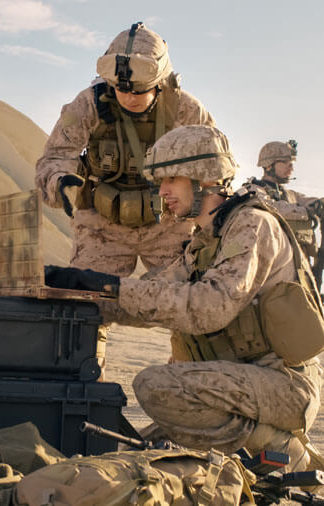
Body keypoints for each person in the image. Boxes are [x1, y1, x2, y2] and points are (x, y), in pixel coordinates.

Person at [45, 125, 324, 470]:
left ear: (203, 179)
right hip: (243, 379)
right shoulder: (206, 240)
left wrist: (111, 286)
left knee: (155, 387)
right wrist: (81, 289)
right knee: (143, 453)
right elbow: (155, 295)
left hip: (282, 385)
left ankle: (288, 456)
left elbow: (209, 308)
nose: (162, 191)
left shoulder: (251, 225)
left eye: (171, 180)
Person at [35, 22, 215, 278]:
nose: (129, 98)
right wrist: (59, 182)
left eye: (139, 91)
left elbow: (215, 167)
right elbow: (56, 155)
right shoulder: (88, 105)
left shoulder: (186, 110)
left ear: (159, 83)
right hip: (102, 226)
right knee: (87, 304)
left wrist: (204, 214)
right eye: (120, 89)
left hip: (168, 225)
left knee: (186, 301)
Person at [244, 140, 323, 272]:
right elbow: (271, 207)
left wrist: (319, 205)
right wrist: (306, 212)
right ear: (268, 165)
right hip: (270, 272)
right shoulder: (252, 191)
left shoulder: (291, 195)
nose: (291, 167)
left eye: (291, 163)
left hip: (299, 270)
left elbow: (312, 202)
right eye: (285, 163)